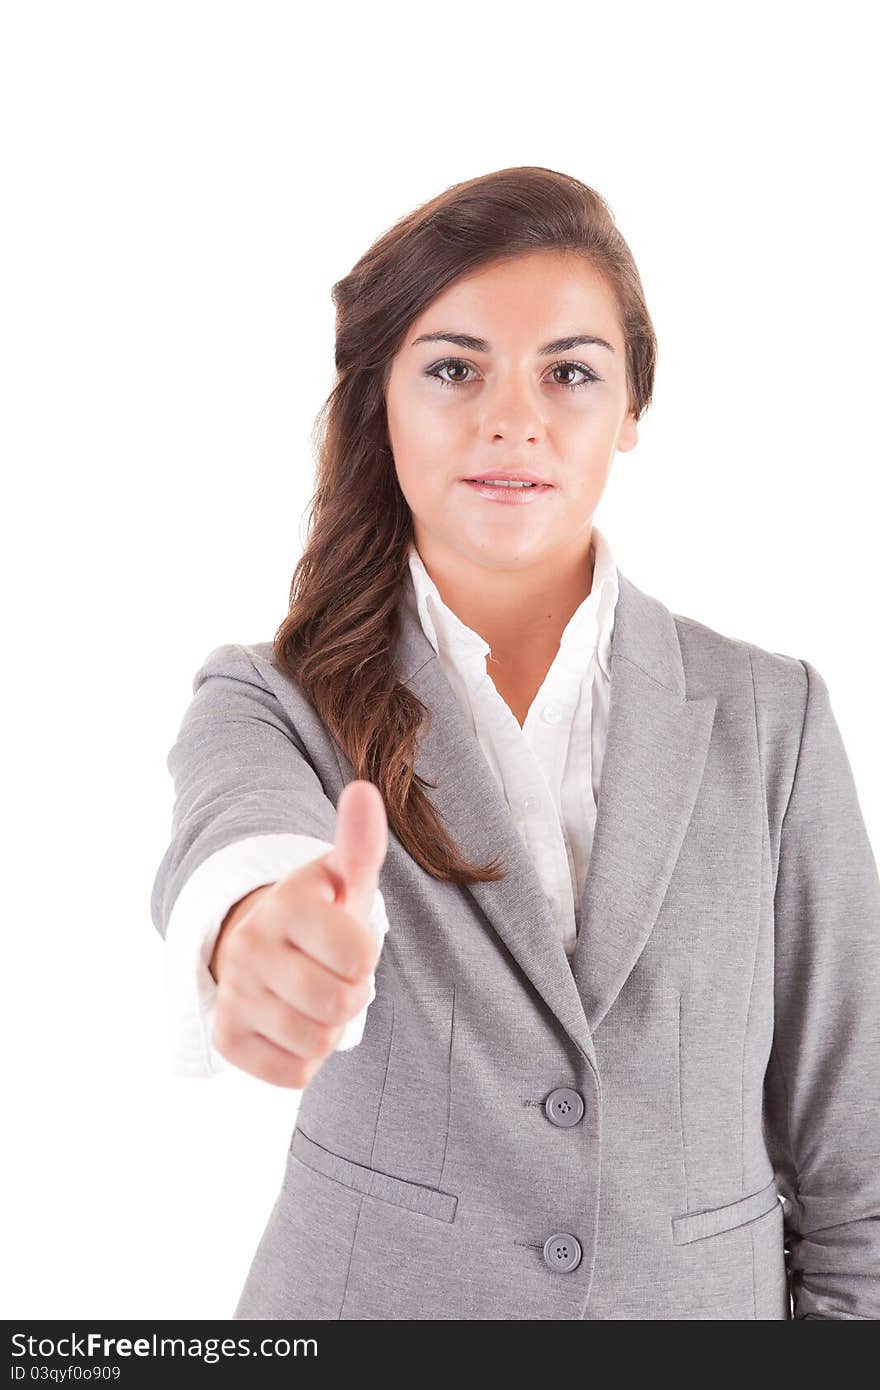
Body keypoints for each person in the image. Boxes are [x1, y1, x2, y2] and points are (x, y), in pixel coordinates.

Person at [150, 166, 880, 1320]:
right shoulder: (270, 695)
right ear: (378, 398)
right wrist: (254, 932)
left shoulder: (772, 718)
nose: (512, 417)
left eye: (570, 372)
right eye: (453, 368)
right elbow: (233, 838)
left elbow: (857, 1160)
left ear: (632, 407)